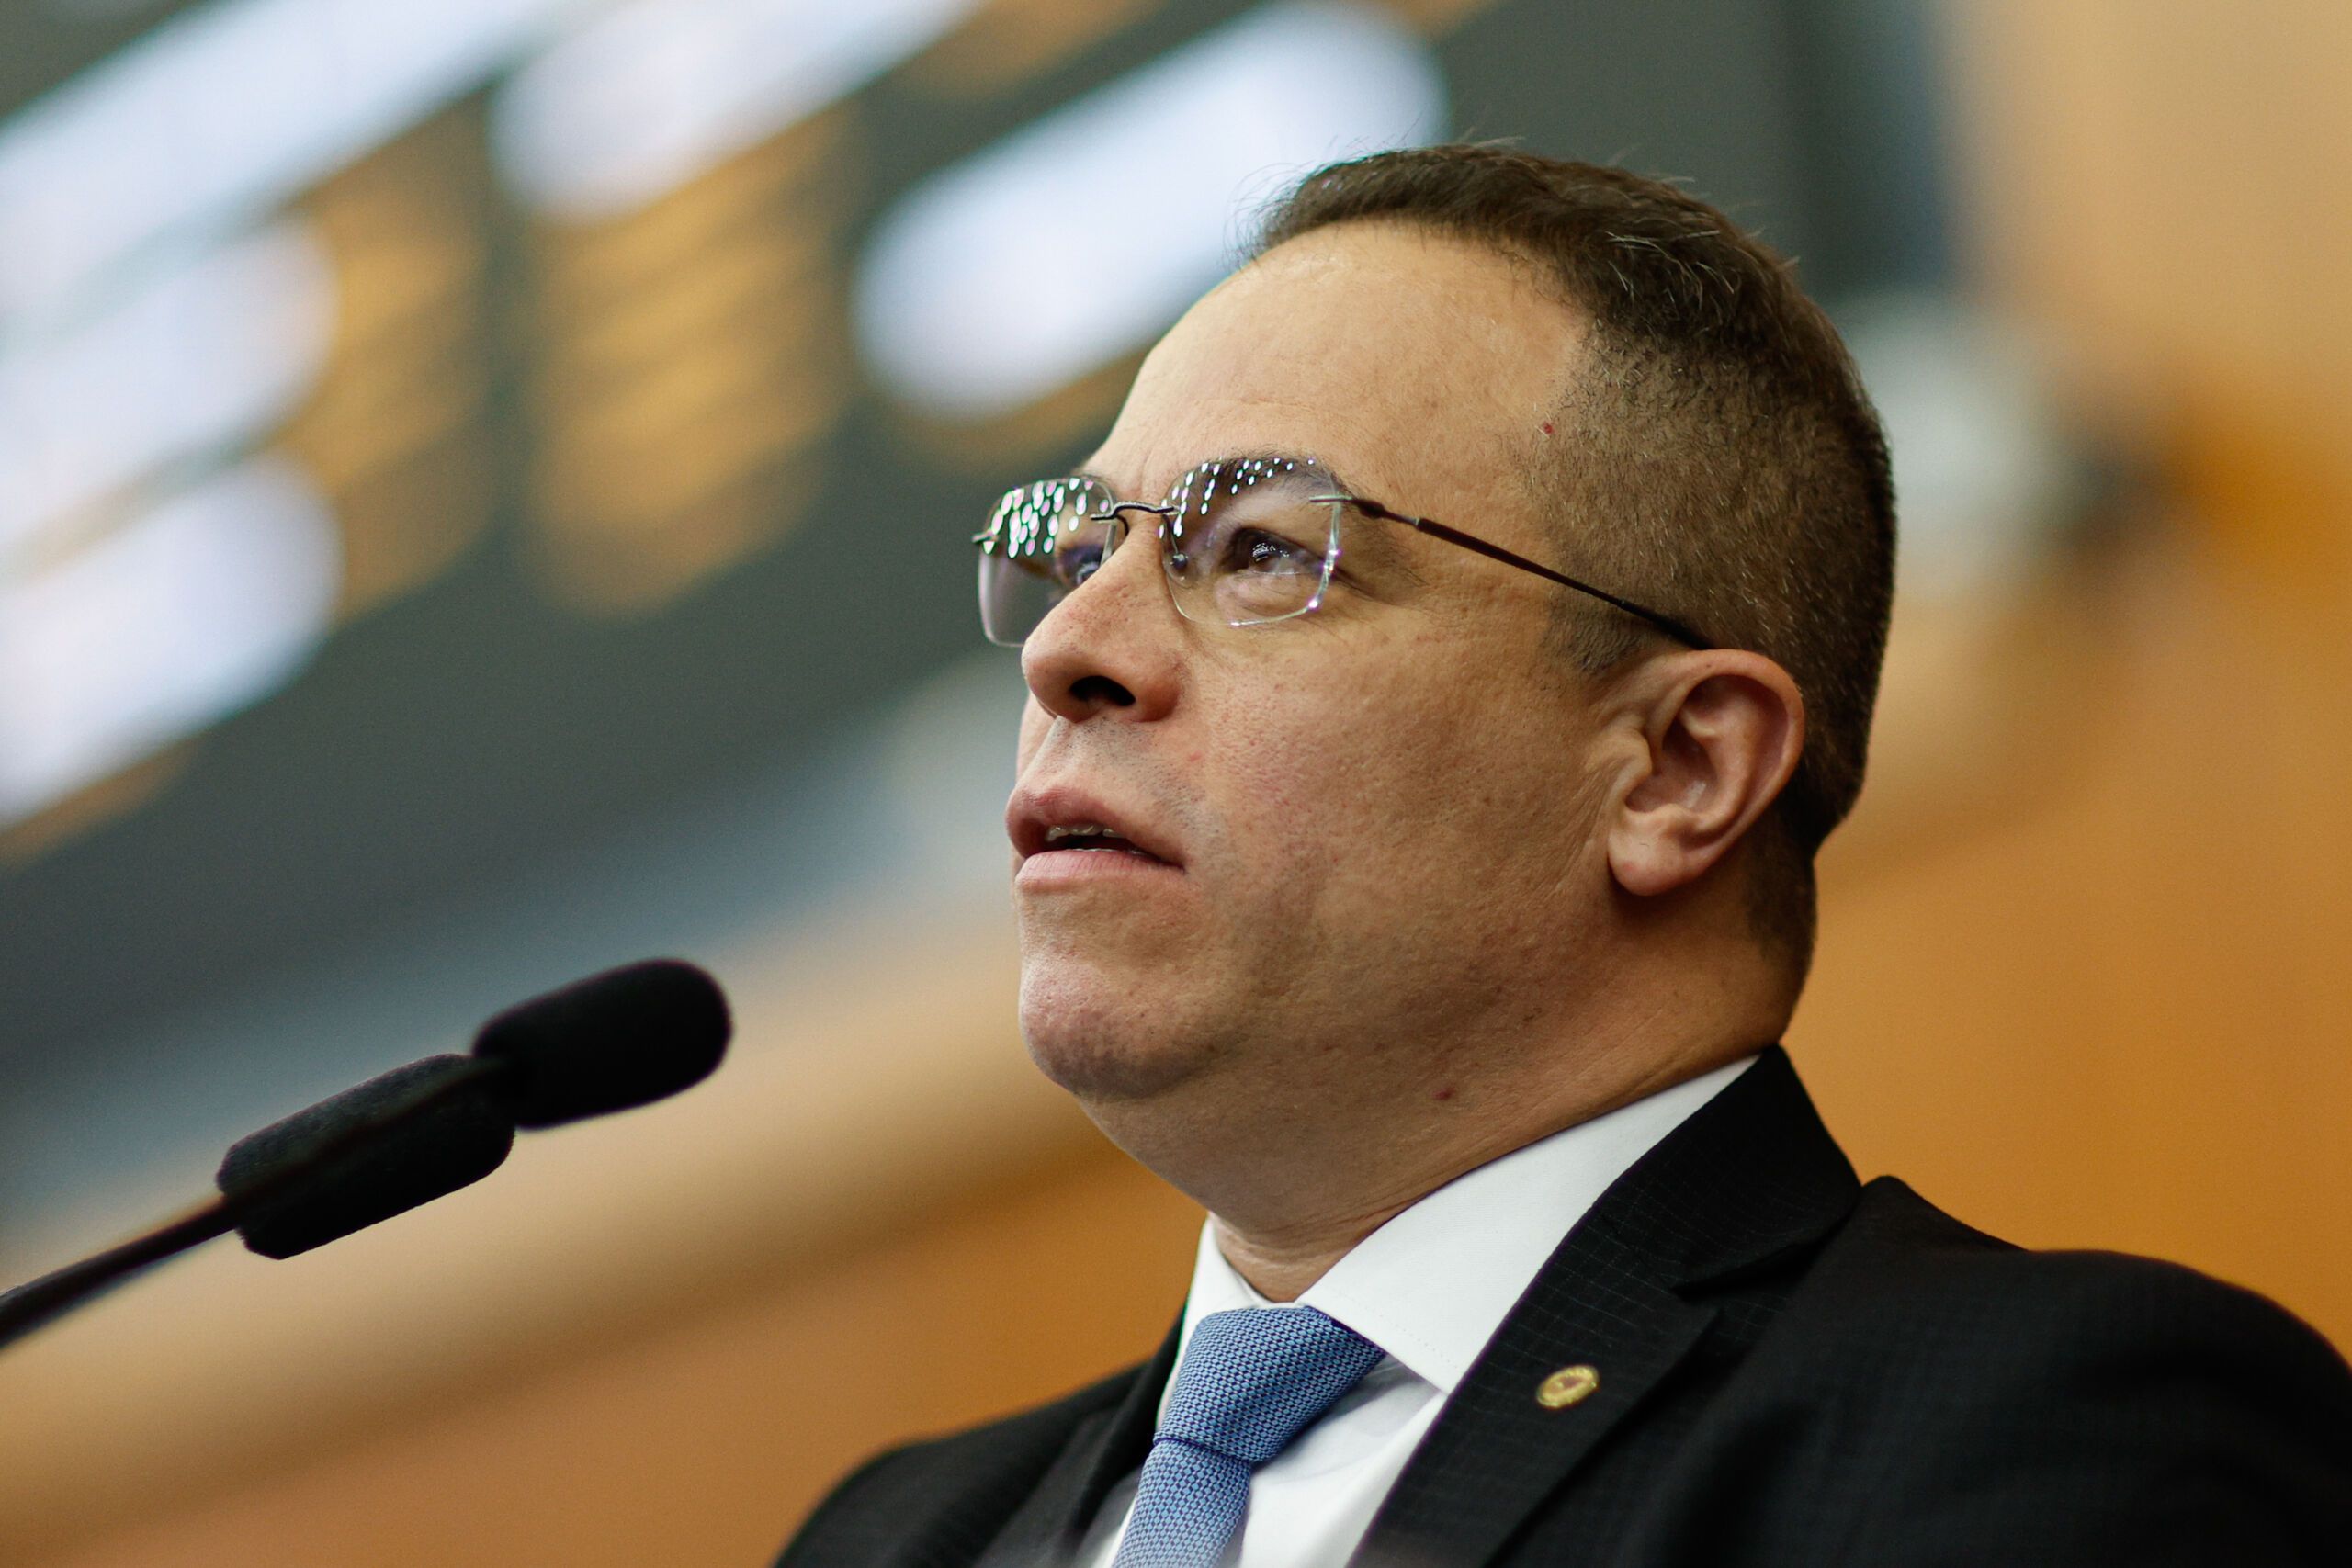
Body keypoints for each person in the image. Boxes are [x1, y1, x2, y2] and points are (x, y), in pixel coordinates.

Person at [776, 147, 2352, 1568]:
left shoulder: (2046, 1430)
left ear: (1676, 770)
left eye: (1260, 550)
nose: (1069, 647)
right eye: (1077, 548)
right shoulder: (895, 1538)